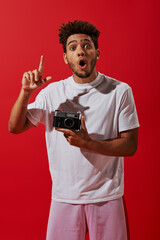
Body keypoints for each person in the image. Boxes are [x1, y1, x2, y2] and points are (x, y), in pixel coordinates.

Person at [8, 20, 139, 240]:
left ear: (97, 53)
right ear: (66, 57)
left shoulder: (120, 91)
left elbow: (130, 145)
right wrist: (26, 92)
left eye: (87, 45)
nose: (81, 50)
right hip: (65, 197)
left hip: (107, 196)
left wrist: (86, 143)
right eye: (73, 47)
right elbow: (15, 127)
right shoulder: (53, 92)